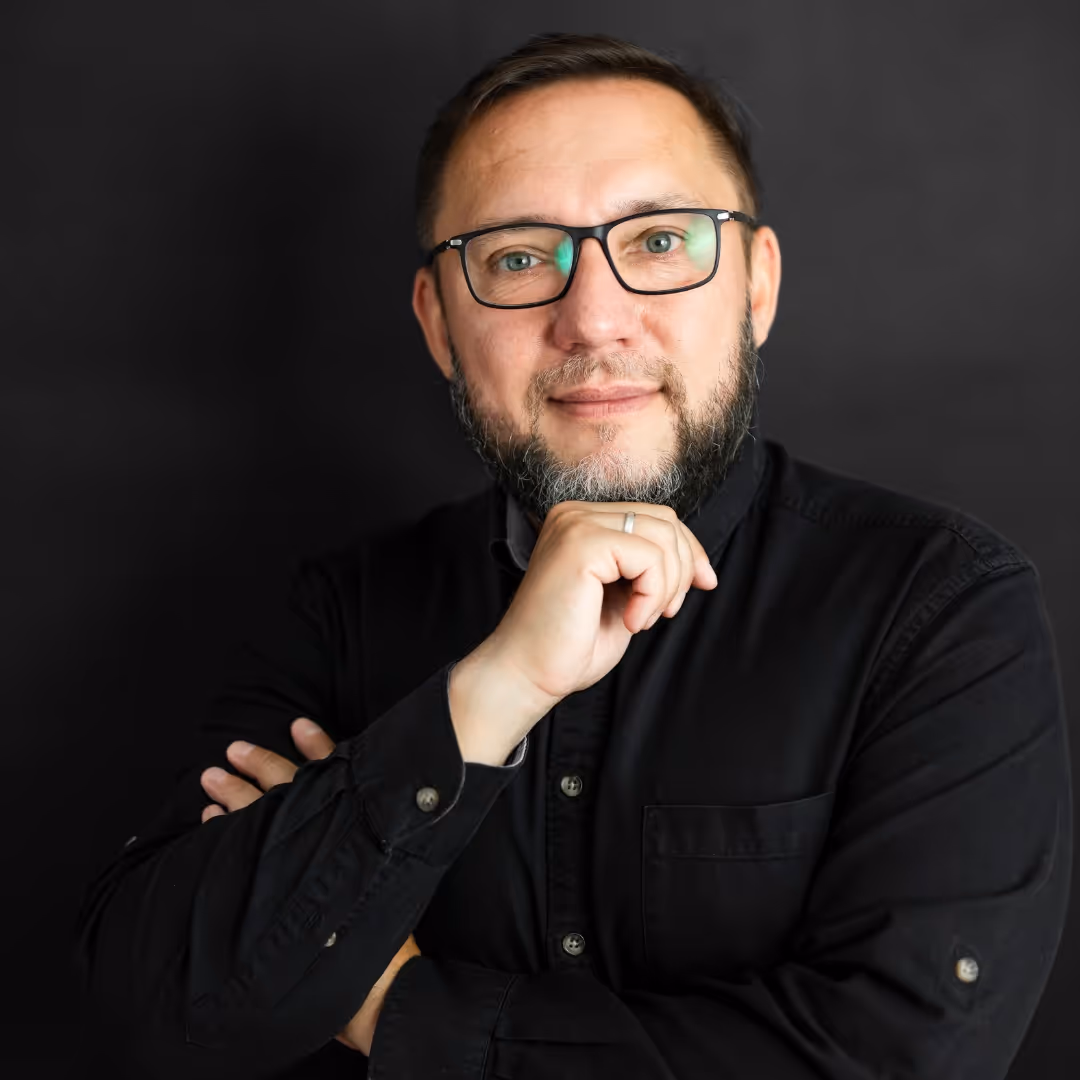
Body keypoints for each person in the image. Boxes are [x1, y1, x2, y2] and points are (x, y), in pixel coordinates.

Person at [75, 31, 1072, 1080]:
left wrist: (399, 1009)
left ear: (756, 287)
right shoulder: (343, 611)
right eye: (517, 257)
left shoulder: (939, 607)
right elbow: (161, 1009)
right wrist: (491, 692)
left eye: (659, 241)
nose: (593, 319)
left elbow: (901, 1060)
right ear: (439, 325)